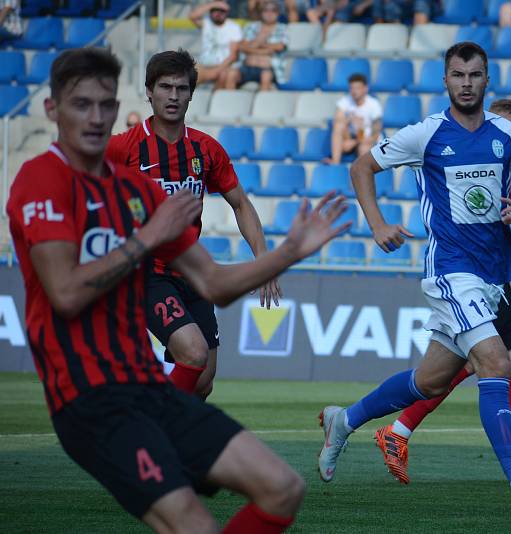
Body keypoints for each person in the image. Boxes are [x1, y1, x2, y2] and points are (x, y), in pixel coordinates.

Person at [7, 47, 349, 533]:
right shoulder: (41, 179)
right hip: (93, 397)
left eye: (105, 104)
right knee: (190, 359)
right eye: (82, 104)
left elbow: (212, 280)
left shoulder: (145, 188)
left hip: (149, 386)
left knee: (282, 488)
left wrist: (284, 253)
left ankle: (167, 446)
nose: (97, 117)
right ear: (51, 110)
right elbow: (63, 292)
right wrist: (148, 236)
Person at [318, 42, 511, 517]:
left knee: (431, 382)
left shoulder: (507, 136)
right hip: (451, 272)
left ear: (487, 79)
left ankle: (343, 420)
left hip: (493, 280)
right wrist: (377, 224)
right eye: (458, 75)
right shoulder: (426, 134)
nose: (467, 83)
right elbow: (361, 167)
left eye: (475, 75)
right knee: (495, 363)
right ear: (446, 80)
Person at [373, 97, 511, 486]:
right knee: (470, 366)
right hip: (466, 277)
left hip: (497, 280)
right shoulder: (463, 153)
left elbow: (509, 216)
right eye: (507, 126)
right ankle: (398, 431)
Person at [107, 49, 280, 399]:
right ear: (149, 91)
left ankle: (159, 428)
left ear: (191, 93)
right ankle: (154, 437)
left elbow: (241, 204)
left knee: (203, 380)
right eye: (165, 87)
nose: (173, 96)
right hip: (145, 273)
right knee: (193, 353)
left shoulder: (206, 150)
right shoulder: (122, 149)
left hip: (193, 272)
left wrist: (263, 259)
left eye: (181, 88)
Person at [226, 0, 289, 91]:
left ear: (278, 13)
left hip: (267, 68)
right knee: (231, 74)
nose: (269, 13)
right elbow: (242, 46)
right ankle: (229, 103)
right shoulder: (250, 26)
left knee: (266, 76)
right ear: (261, 12)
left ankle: (263, 104)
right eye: (266, 10)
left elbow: (279, 46)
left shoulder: (283, 28)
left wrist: (255, 44)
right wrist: (264, 48)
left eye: (273, 10)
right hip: (246, 67)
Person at [325, 73, 383, 165]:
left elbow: (375, 134)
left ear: (365, 88)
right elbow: (337, 121)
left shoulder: (373, 104)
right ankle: (335, 163)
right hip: (351, 137)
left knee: (363, 147)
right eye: (352, 88)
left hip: (367, 140)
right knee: (339, 125)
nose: (354, 91)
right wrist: (349, 120)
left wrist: (354, 142)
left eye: (357, 88)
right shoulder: (345, 101)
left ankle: (361, 173)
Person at [189, 1, 242, 87]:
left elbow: (233, 56)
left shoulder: (234, 27)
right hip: (206, 65)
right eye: (215, 10)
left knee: (223, 75)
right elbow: (192, 16)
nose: (218, 13)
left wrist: (216, 70)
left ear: (226, 13)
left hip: (225, 66)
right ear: (210, 11)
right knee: (190, 75)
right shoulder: (206, 23)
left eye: (222, 10)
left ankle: (219, 99)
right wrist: (213, 4)